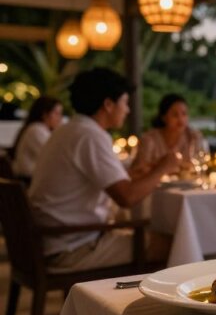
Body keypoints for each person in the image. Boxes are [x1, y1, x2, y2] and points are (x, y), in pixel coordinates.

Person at [27, 68, 181, 272]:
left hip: (51, 240)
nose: (127, 110)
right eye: (125, 103)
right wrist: (163, 168)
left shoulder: (69, 130)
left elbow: (102, 179)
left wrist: (139, 172)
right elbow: (127, 197)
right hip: (72, 247)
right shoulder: (90, 136)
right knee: (178, 245)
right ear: (108, 104)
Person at [132, 94, 205, 176]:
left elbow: (201, 163)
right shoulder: (149, 140)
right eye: (175, 115)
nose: (181, 119)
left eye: (184, 114)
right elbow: (138, 171)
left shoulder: (193, 137)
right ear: (164, 117)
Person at [10, 96, 63, 179]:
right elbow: (53, 157)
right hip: (27, 180)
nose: (60, 118)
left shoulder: (37, 129)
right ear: (45, 114)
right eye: (56, 113)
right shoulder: (36, 130)